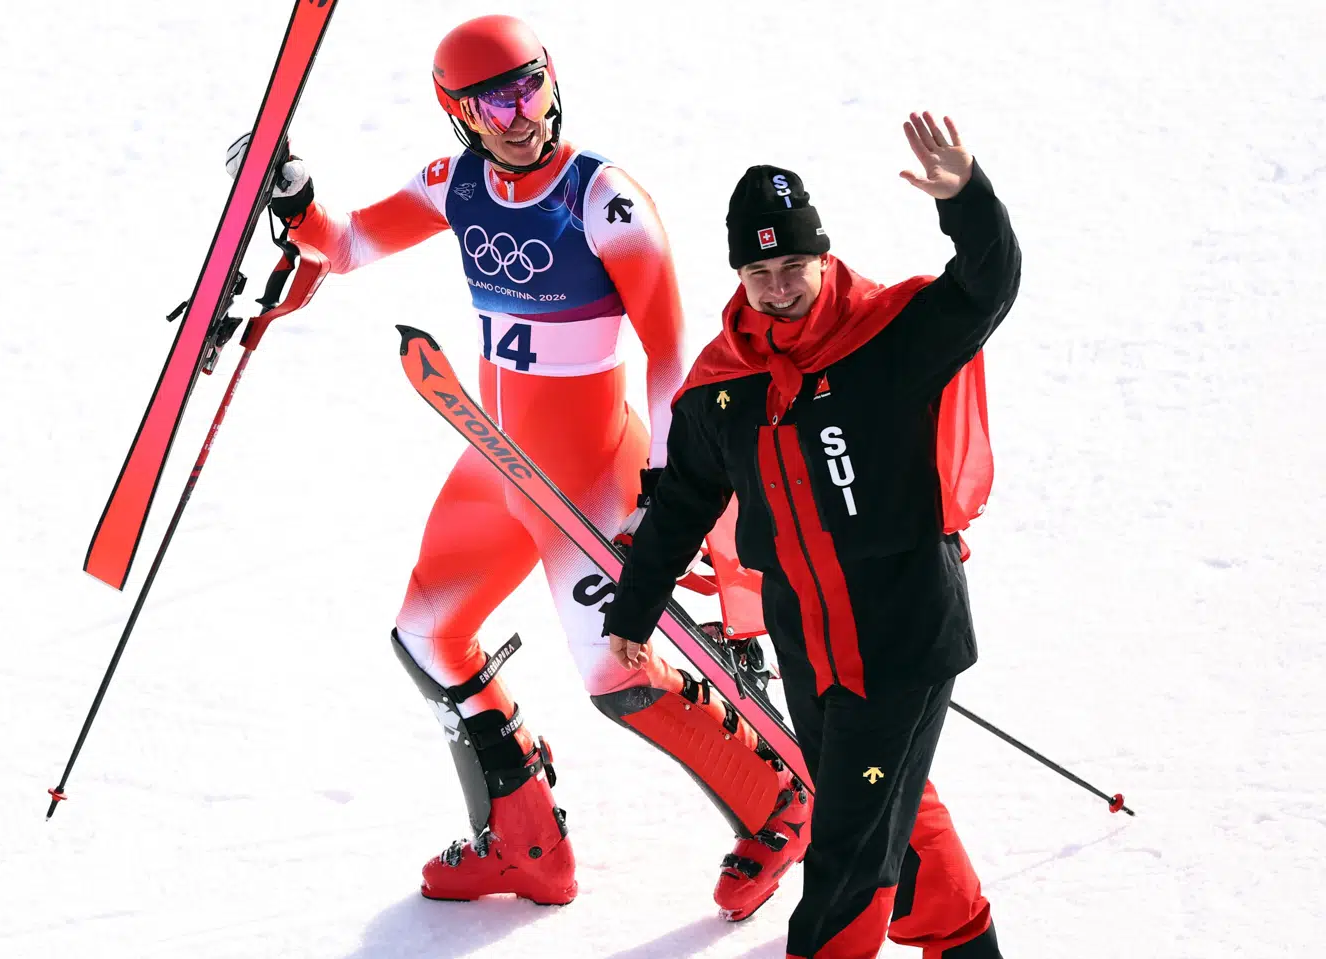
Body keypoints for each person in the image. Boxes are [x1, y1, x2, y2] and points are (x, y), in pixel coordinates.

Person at [227, 15, 809, 915]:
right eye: (492, 102)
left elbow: (669, 357)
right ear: (456, 113)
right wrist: (297, 203)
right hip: (497, 464)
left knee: (615, 671)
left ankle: (778, 800)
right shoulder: (454, 184)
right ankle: (526, 843)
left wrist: (664, 485)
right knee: (427, 634)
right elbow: (343, 246)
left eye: (530, 88)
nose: (518, 115)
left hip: (588, 480)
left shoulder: (604, 201)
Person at [604, 112, 1020, 958]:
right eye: (760, 271)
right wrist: (632, 612)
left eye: (795, 263)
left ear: (822, 257)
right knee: (886, 809)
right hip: (812, 641)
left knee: (845, 850)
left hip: (901, 635)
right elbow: (684, 500)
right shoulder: (726, 387)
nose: (780, 285)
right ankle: (965, 942)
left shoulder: (888, 336)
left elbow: (987, 285)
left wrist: (967, 198)